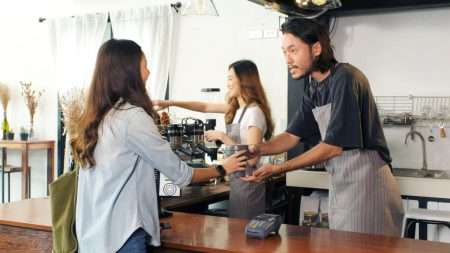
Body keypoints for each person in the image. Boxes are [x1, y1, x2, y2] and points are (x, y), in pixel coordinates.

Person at [73, 39, 246, 253]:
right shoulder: (132, 118)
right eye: (145, 65)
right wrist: (223, 168)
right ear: (129, 72)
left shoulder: (96, 117)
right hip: (123, 236)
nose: (149, 72)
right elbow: (181, 174)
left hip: (92, 237)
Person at [243, 18, 404, 236]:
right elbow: (292, 135)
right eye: (284, 52)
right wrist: (257, 148)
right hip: (343, 184)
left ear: (316, 48)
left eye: (293, 50)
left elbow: (333, 147)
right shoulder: (314, 88)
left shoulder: (346, 78)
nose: (287, 59)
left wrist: (278, 169)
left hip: (369, 185)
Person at [154, 59, 274, 219]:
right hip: (238, 183)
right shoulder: (239, 109)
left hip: (249, 185)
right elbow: (204, 107)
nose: (228, 83)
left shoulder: (254, 113)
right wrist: (170, 102)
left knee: (245, 238)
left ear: (244, 80)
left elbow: (252, 160)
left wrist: (222, 137)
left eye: (231, 78)